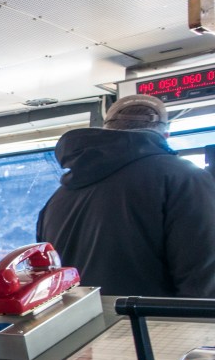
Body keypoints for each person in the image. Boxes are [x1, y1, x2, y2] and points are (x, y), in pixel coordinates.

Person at [36, 93, 215, 297]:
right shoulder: (185, 177)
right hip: (152, 326)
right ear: (165, 136)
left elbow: (48, 280)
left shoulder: (57, 199)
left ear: (106, 131)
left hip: (79, 327)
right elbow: (204, 279)